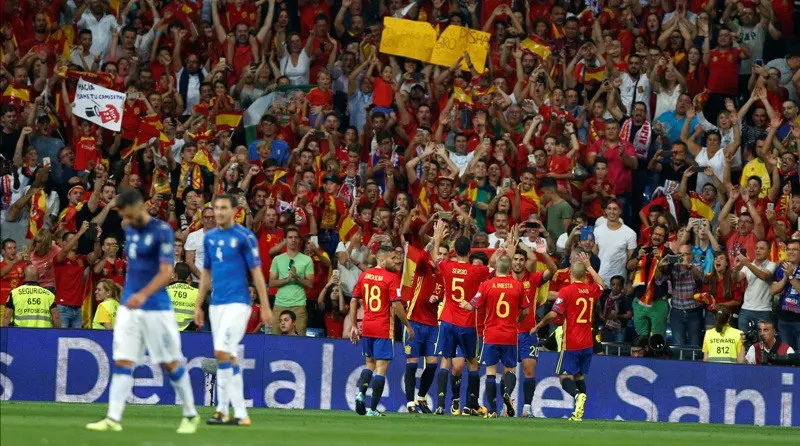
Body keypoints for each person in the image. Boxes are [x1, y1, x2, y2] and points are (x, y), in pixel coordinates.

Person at [85, 189, 198, 434]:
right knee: (124, 360)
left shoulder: (162, 232)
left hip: (155, 308)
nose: (124, 219)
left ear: (139, 207)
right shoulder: (130, 229)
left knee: (169, 362)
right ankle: (113, 418)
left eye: (127, 213)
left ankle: (190, 414)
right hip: (129, 307)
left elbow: (166, 272)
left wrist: (143, 294)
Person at [195, 194, 272, 426]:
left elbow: (257, 272)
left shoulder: (244, 237)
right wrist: (199, 304)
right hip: (216, 304)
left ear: (234, 210)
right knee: (227, 356)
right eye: (215, 208)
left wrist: (266, 305)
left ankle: (221, 410)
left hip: (239, 303)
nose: (218, 212)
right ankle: (240, 413)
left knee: (222, 352)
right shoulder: (209, 238)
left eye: (223, 208)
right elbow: (206, 273)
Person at [532, 252, 604, 422]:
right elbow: (602, 284)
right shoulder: (591, 290)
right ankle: (578, 412)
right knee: (579, 376)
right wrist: (589, 266)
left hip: (571, 341)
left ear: (571, 273)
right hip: (587, 342)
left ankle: (578, 396)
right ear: (585, 275)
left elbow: (552, 314)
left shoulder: (566, 291)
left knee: (564, 377)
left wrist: (538, 325)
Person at [431, 221, 493, 416]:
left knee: (445, 362)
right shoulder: (477, 270)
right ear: (470, 252)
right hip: (467, 323)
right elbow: (494, 268)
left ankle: (441, 404)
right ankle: (470, 404)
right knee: (472, 363)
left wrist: (438, 238)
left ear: (454, 251)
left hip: (448, 320)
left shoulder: (447, 266)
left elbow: (436, 258)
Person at [460, 253, 527, 418]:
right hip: (510, 334)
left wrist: (464, 304)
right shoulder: (518, 286)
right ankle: (507, 393)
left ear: (496, 267)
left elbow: (472, 306)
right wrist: (516, 320)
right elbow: (526, 310)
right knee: (509, 370)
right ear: (510, 268)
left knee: (490, 371)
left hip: (491, 334)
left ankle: (492, 410)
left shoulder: (486, 285)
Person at [350, 246, 413, 417]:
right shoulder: (391, 278)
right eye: (393, 258)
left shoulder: (365, 275)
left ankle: (361, 394)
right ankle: (372, 409)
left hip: (367, 325)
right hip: (384, 327)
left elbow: (354, 299)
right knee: (381, 368)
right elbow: (397, 305)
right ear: (383, 260)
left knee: (369, 363)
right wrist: (407, 324)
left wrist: (354, 324)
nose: (396, 261)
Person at [401, 245, 443, 414]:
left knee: (433, 363)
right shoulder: (422, 269)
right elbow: (421, 257)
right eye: (438, 253)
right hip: (415, 322)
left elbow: (443, 293)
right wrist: (433, 241)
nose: (439, 257)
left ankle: (421, 397)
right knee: (412, 362)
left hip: (432, 324)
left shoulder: (442, 277)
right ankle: (410, 402)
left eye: (443, 254)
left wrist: (438, 297)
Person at [269, 227, 314, 336]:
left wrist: (297, 277)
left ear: (299, 240)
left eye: (295, 237)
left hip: (299, 305)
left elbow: (310, 284)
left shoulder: (307, 260)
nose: (293, 240)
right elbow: (272, 283)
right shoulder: (277, 259)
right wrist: (287, 279)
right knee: (276, 341)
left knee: (299, 343)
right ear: (285, 240)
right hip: (279, 304)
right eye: (290, 237)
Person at [166, 263, 199, 331]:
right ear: (188, 276)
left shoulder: (166, 291)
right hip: (189, 331)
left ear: (175, 274)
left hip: (169, 329)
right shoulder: (197, 292)